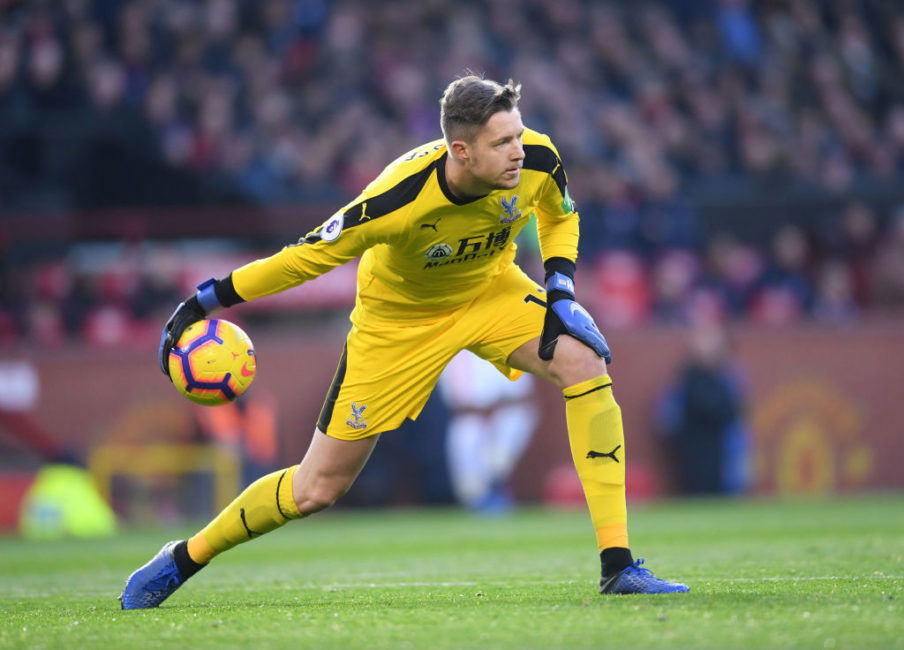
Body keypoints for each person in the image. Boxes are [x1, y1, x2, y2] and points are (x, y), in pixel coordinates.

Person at [119, 76, 688, 609]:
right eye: (502, 142)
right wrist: (203, 301)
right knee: (317, 488)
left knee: (584, 362)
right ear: (460, 152)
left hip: (491, 293)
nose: (519, 150)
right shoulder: (396, 199)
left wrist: (560, 286)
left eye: (518, 134)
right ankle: (184, 558)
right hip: (397, 327)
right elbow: (300, 261)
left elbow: (561, 215)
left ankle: (618, 565)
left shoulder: (537, 157)